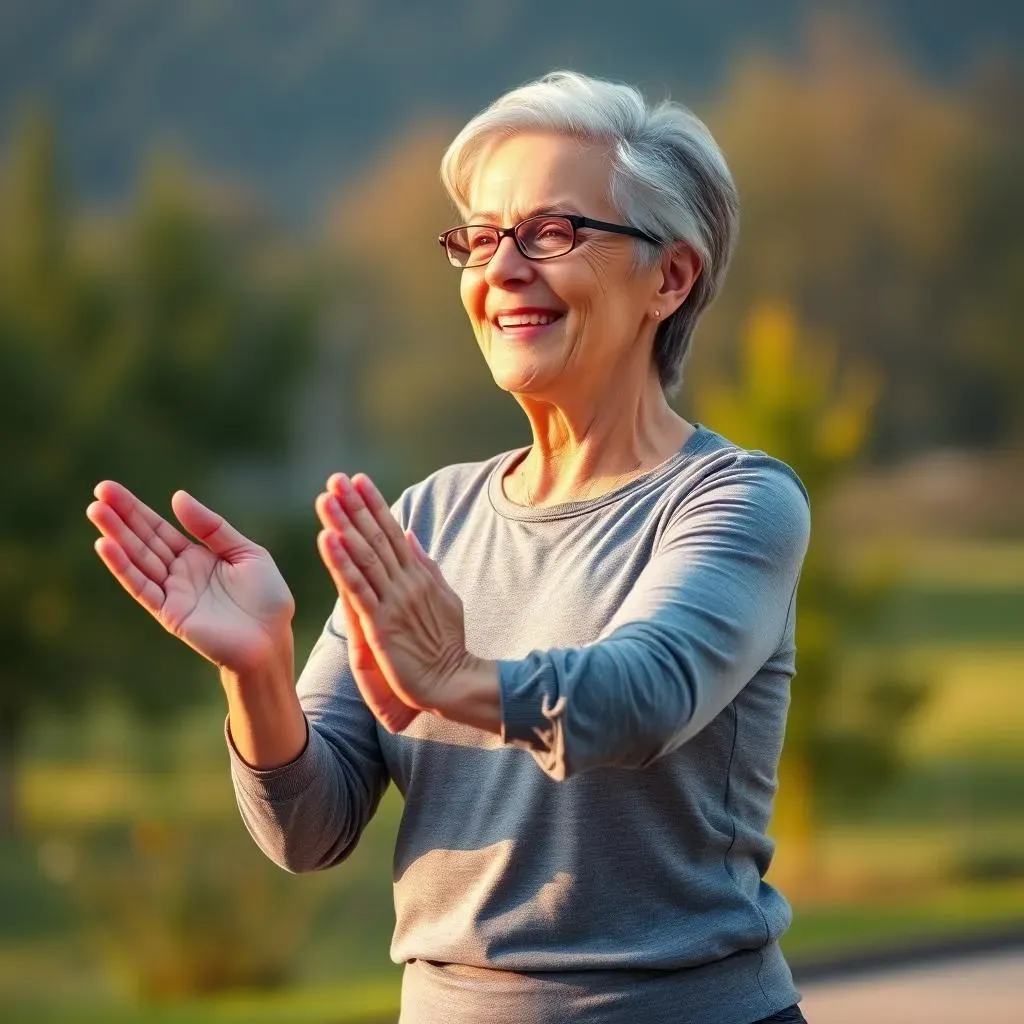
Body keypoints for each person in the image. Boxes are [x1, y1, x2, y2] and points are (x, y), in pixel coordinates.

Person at [86, 72, 811, 1024]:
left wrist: (451, 675)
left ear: (668, 278)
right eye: (480, 237)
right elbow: (309, 829)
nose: (502, 269)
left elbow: (642, 696)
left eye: (552, 233)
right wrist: (257, 673)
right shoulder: (427, 516)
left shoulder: (735, 502)